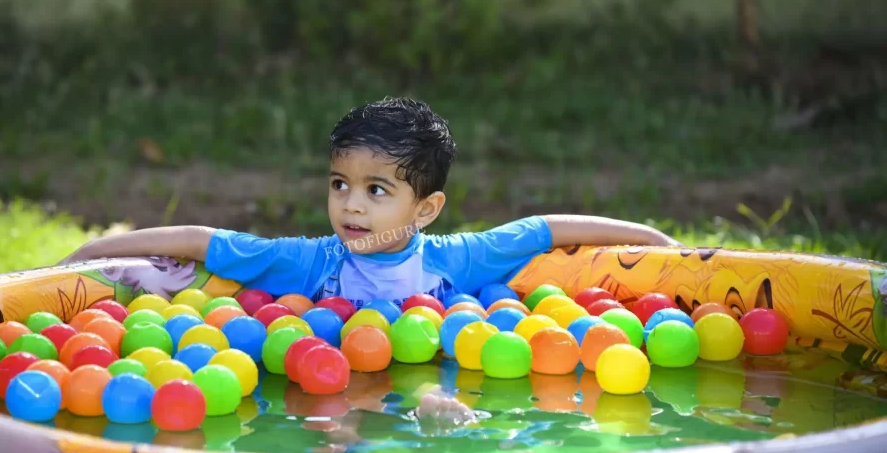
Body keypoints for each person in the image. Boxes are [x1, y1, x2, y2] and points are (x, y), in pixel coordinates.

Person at [61, 97, 680, 424]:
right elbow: (205, 241)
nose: (350, 206)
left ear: (427, 207)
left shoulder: (455, 263)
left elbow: (542, 229)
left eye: (376, 191)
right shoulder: (309, 265)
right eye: (339, 185)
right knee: (334, 423)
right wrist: (96, 250)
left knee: (437, 406)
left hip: (427, 386)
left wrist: (649, 237)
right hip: (331, 389)